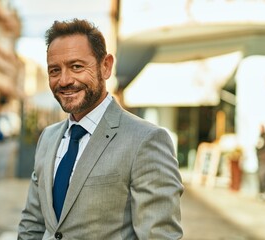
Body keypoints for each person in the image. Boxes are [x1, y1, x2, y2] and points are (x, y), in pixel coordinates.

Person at [17, 18, 184, 239]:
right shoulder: (48, 138)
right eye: (54, 70)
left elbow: (160, 236)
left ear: (105, 66)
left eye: (76, 66)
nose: (64, 80)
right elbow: (32, 224)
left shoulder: (146, 140)